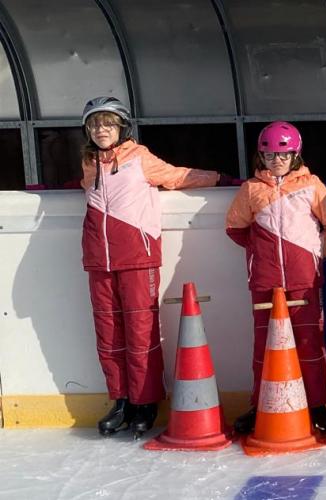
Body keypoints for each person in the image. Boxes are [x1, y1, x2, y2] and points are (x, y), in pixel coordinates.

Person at [80, 96, 230, 438]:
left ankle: (145, 401)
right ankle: (120, 400)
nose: (101, 129)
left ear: (121, 127)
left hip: (137, 255)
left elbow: (176, 177)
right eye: (94, 124)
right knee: (108, 335)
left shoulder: (138, 158)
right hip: (98, 259)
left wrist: (218, 177)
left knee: (140, 332)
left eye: (108, 123)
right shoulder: (89, 163)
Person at [226, 121, 326, 436]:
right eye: (269, 156)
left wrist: (318, 252)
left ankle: (317, 404)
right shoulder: (251, 189)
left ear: (295, 156)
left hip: (304, 280)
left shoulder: (310, 185)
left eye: (283, 155)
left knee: (310, 343)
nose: (276, 161)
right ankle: (260, 404)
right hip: (265, 282)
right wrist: (259, 251)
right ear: (260, 156)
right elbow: (235, 227)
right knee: (263, 347)